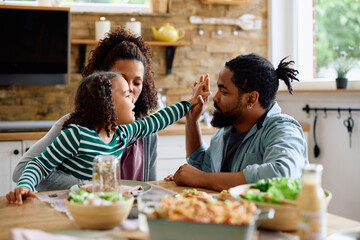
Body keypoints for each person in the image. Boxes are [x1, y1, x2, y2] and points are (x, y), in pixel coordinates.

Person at [7, 71, 211, 204]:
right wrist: (25, 186)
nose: (133, 99)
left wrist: (192, 101)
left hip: (97, 204)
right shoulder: (76, 135)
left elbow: (157, 120)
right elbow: (39, 165)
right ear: (107, 104)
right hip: (65, 203)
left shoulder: (122, 134)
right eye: (126, 94)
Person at [12, 28, 159, 191]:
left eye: (137, 83)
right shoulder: (75, 126)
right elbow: (21, 171)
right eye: (122, 80)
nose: (130, 89)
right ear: (102, 82)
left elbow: (149, 188)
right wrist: (88, 187)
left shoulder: (148, 135)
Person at [166, 53, 308, 191]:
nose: (215, 98)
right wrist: (192, 120)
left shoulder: (283, 128)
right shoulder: (223, 134)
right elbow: (201, 169)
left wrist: (202, 178)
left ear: (251, 99)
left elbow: (282, 175)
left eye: (224, 92)